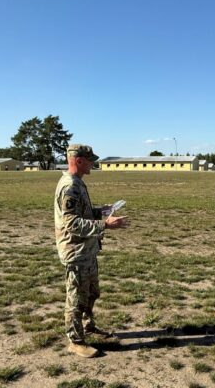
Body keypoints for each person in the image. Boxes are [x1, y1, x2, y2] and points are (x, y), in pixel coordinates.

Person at [54, 144, 129, 358]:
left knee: (91, 293)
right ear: (78, 160)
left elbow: (82, 212)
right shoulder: (70, 186)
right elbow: (72, 223)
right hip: (76, 251)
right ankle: (75, 341)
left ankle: (88, 326)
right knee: (76, 298)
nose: (92, 163)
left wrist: (100, 211)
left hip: (87, 250)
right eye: (89, 160)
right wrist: (105, 224)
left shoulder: (77, 183)